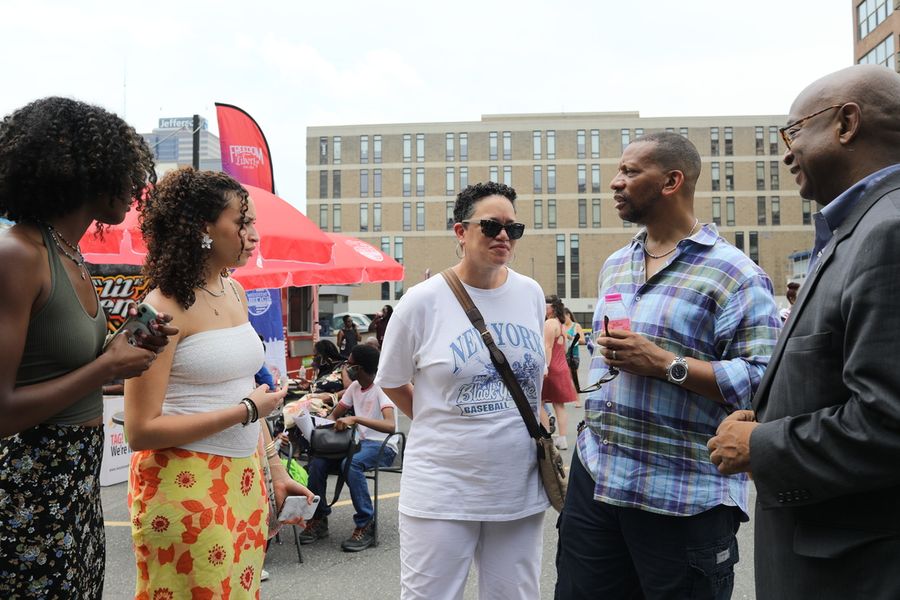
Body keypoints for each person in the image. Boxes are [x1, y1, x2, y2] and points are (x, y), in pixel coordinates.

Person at [556, 132, 781, 599]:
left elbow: (764, 382)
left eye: (630, 172)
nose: (615, 183)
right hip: (598, 479)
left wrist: (665, 365)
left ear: (672, 181)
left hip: (681, 497)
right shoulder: (617, 263)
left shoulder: (736, 274)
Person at [707, 65, 900, 600]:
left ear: (846, 123)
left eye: (793, 131)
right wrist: (771, 413)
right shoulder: (858, 228)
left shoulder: (888, 232)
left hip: (856, 572)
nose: (785, 151)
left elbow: (889, 423)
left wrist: (761, 444)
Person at [0, 97, 175, 597]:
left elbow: (63, 364)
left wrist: (124, 349)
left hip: (76, 483)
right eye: (125, 169)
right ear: (83, 171)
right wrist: (104, 369)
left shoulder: (69, 255)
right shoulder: (18, 255)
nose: (136, 186)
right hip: (28, 486)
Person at [124, 167, 313, 598]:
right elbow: (139, 430)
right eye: (242, 222)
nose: (253, 235)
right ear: (204, 228)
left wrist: (275, 470)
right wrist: (245, 411)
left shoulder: (235, 291)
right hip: (182, 485)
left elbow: (245, 389)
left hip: (244, 480)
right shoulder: (150, 311)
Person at [377, 181, 548, 600]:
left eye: (513, 227)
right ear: (461, 231)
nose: (504, 236)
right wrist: (442, 420)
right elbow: (392, 380)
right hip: (442, 490)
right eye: (491, 226)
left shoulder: (530, 294)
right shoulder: (421, 302)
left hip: (518, 488)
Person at [297, 344, 398, 551]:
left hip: (383, 445)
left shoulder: (381, 388)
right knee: (317, 463)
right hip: (358, 444)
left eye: (349, 364)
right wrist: (315, 418)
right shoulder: (354, 388)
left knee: (350, 464)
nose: (346, 368)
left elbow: (390, 426)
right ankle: (319, 518)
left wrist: (355, 418)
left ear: (360, 368)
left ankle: (366, 524)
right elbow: (334, 416)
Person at [542, 295, 577, 450]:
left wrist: (545, 367)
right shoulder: (561, 324)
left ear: (551, 308)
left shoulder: (550, 323)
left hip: (551, 368)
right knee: (559, 405)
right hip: (561, 367)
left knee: (538, 404)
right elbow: (563, 348)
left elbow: (548, 347)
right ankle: (562, 439)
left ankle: (546, 436)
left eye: (545, 306)